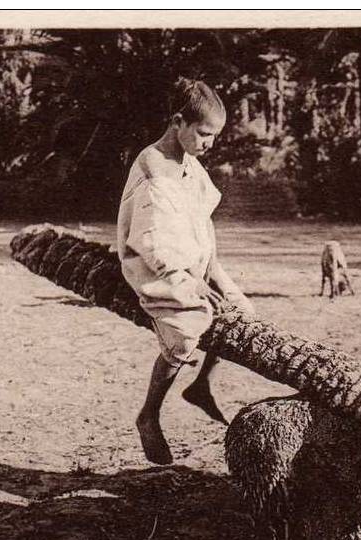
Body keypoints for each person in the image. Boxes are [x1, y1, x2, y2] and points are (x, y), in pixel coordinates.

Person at [116, 77, 254, 465]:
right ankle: (149, 414)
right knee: (186, 328)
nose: (210, 143)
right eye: (205, 134)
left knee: (243, 311)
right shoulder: (152, 171)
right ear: (178, 122)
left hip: (196, 261)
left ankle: (202, 384)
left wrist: (212, 273)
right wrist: (189, 282)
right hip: (155, 265)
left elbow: (201, 222)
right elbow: (150, 241)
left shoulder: (190, 166)